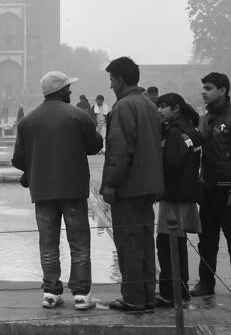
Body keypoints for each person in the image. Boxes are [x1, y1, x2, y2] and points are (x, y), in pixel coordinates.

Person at [12, 71, 103, 310]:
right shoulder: (77, 116)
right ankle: (81, 295)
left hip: (43, 191)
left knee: (48, 243)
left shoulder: (28, 121)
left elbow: (18, 159)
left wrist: (36, 167)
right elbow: (95, 146)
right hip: (73, 189)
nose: (70, 92)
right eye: (68, 89)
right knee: (79, 243)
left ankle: (51, 293)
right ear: (60, 91)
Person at [99, 56, 163, 312]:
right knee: (145, 242)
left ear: (121, 80)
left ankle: (133, 299)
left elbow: (120, 151)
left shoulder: (124, 107)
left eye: (112, 80)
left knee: (129, 243)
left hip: (129, 187)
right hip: (147, 185)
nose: (111, 86)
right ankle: (147, 295)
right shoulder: (147, 104)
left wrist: (111, 184)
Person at [192, 72, 231, 302]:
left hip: (228, 190)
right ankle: (206, 281)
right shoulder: (206, 118)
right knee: (206, 239)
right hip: (208, 187)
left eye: (208, 88)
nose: (203, 92)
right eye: (203, 88)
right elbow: (198, 146)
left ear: (223, 90)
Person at [154, 92, 204, 307]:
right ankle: (180, 290)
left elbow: (171, 165)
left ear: (176, 108)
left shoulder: (175, 133)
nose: (159, 110)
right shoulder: (190, 130)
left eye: (164, 106)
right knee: (178, 243)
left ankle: (170, 292)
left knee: (167, 244)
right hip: (185, 192)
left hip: (173, 194)